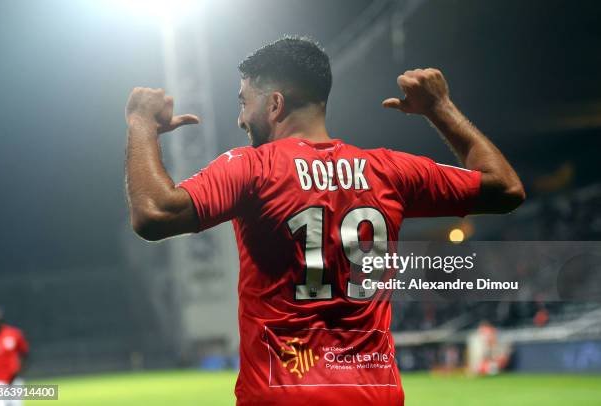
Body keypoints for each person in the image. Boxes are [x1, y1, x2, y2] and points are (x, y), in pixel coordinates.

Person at [124, 36, 524, 405]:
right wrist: (440, 108)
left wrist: (142, 124)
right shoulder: (390, 171)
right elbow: (505, 189)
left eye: (244, 102)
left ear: (275, 105)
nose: (241, 119)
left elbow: (154, 213)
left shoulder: (252, 169)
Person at [0, 307, 29, 406]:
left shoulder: (13, 334)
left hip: (13, 380)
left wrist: (19, 371)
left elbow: (24, 353)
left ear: (2, 321)